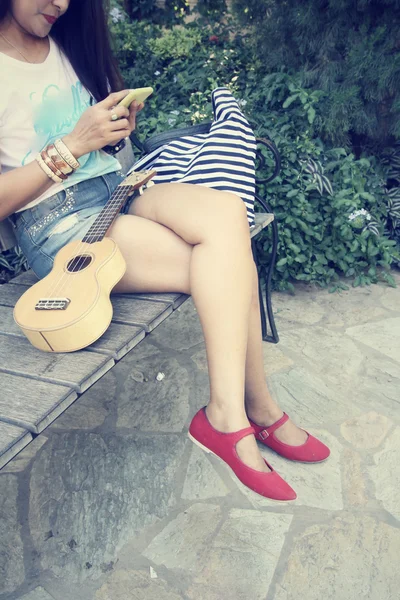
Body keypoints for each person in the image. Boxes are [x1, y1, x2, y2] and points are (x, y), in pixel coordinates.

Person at [0, 0, 330, 501]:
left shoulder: (65, 44)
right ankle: (244, 413)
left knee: (226, 216)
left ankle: (245, 412)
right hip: (61, 229)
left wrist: (113, 130)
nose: (60, 4)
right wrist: (72, 145)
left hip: (118, 191)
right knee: (224, 264)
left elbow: (98, 149)